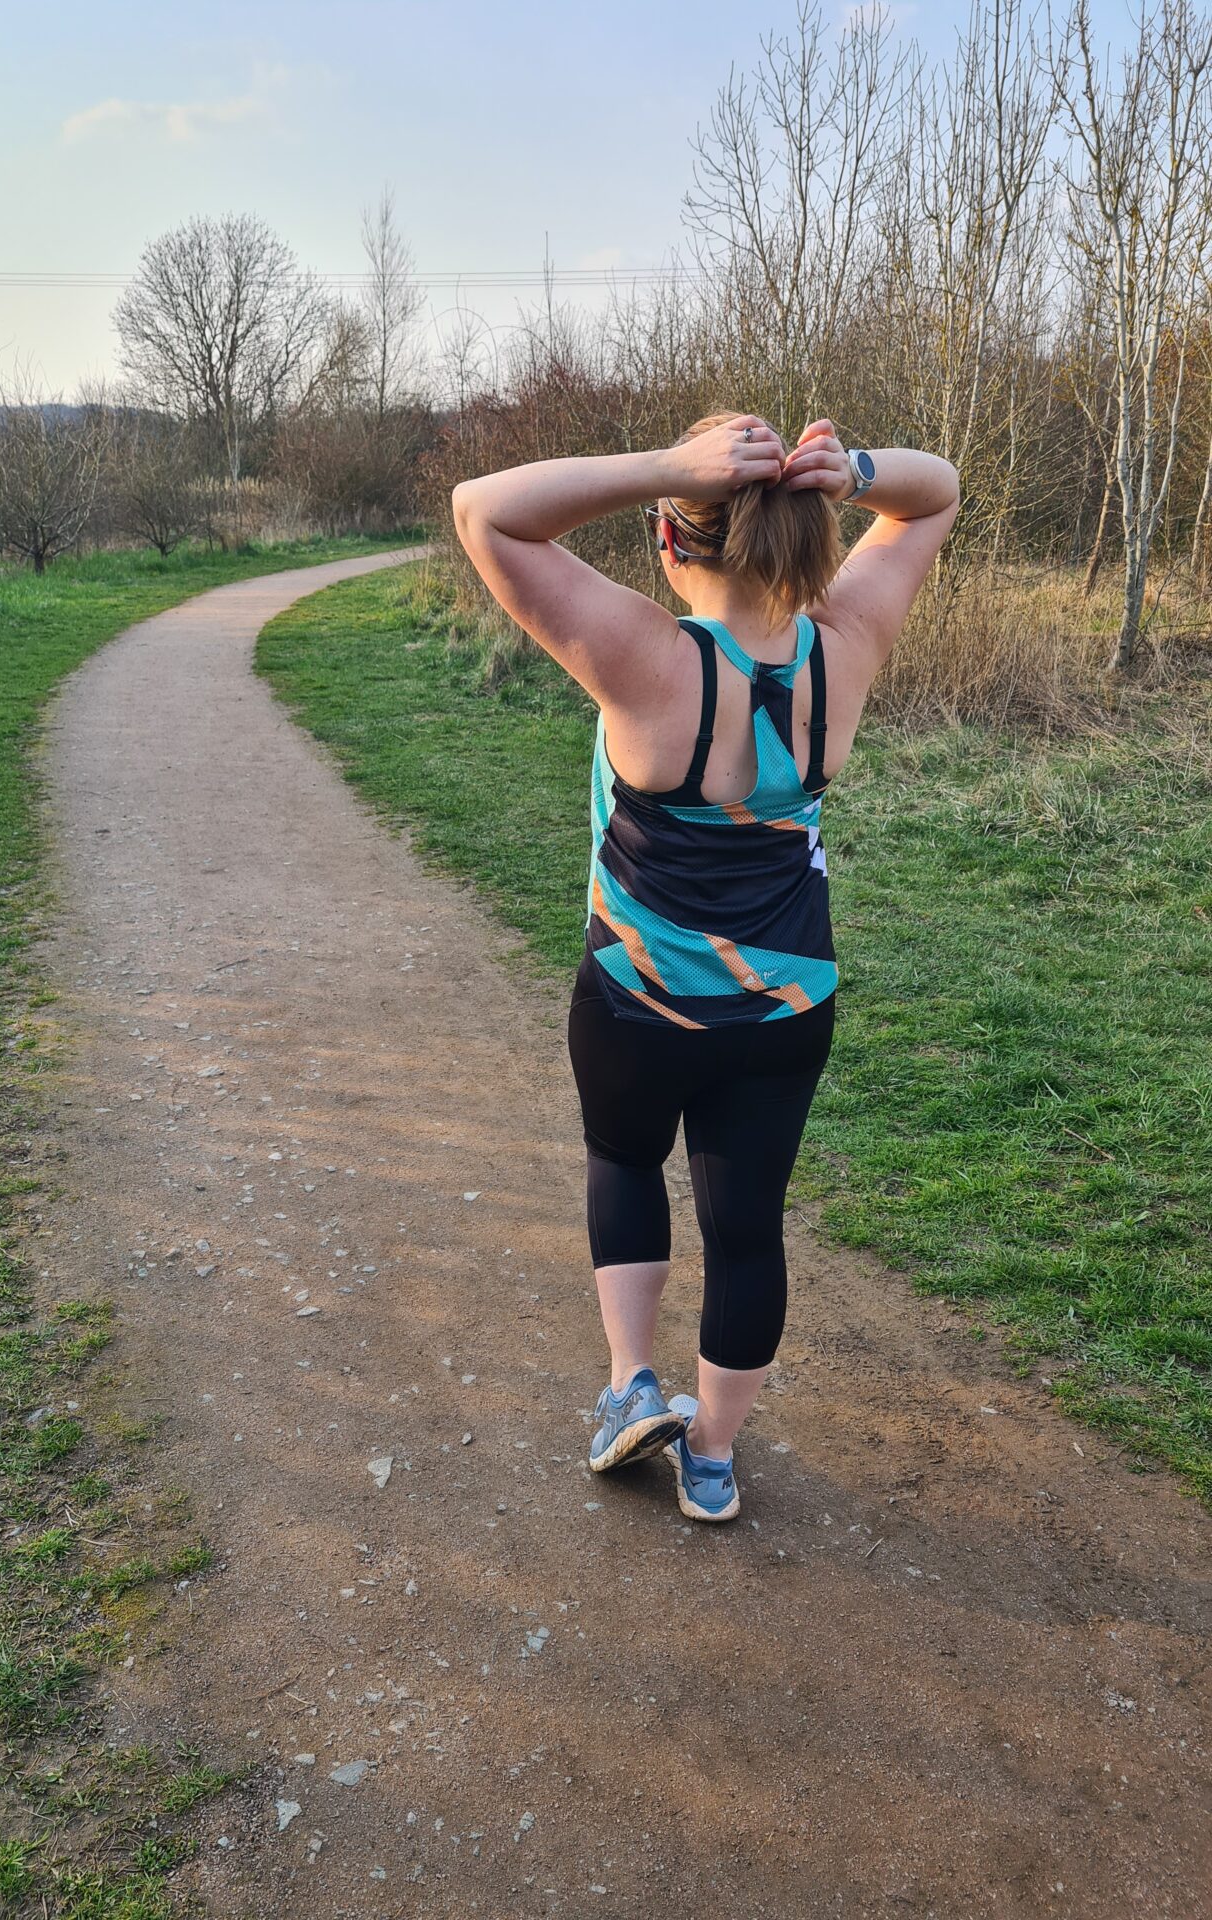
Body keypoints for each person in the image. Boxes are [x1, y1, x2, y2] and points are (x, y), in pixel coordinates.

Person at [453, 416, 959, 1521]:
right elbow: (937, 493)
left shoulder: (645, 654)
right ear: (808, 539)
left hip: (637, 997)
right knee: (747, 1227)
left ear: (672, 541)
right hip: (783, 1012)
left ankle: (633, 1385)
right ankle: (715, 1462)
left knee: (624, 1163)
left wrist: (661, 467)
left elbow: (483, 509)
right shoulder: (848, 640)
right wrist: (857, 469)